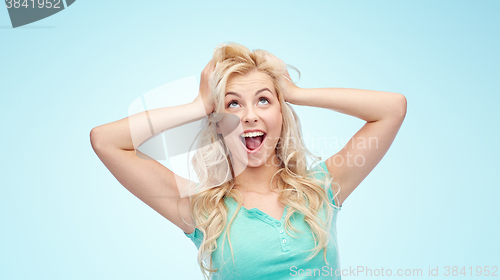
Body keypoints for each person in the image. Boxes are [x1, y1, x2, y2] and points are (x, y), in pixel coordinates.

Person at [90, 42, 407, 279]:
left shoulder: (322, 188)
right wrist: (199, 105)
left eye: (264, 100)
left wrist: (295, 93)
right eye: (233, 104)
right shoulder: (203, 211)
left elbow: (391, 109)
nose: (250, 116)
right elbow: (107, 142)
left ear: (281, 114)